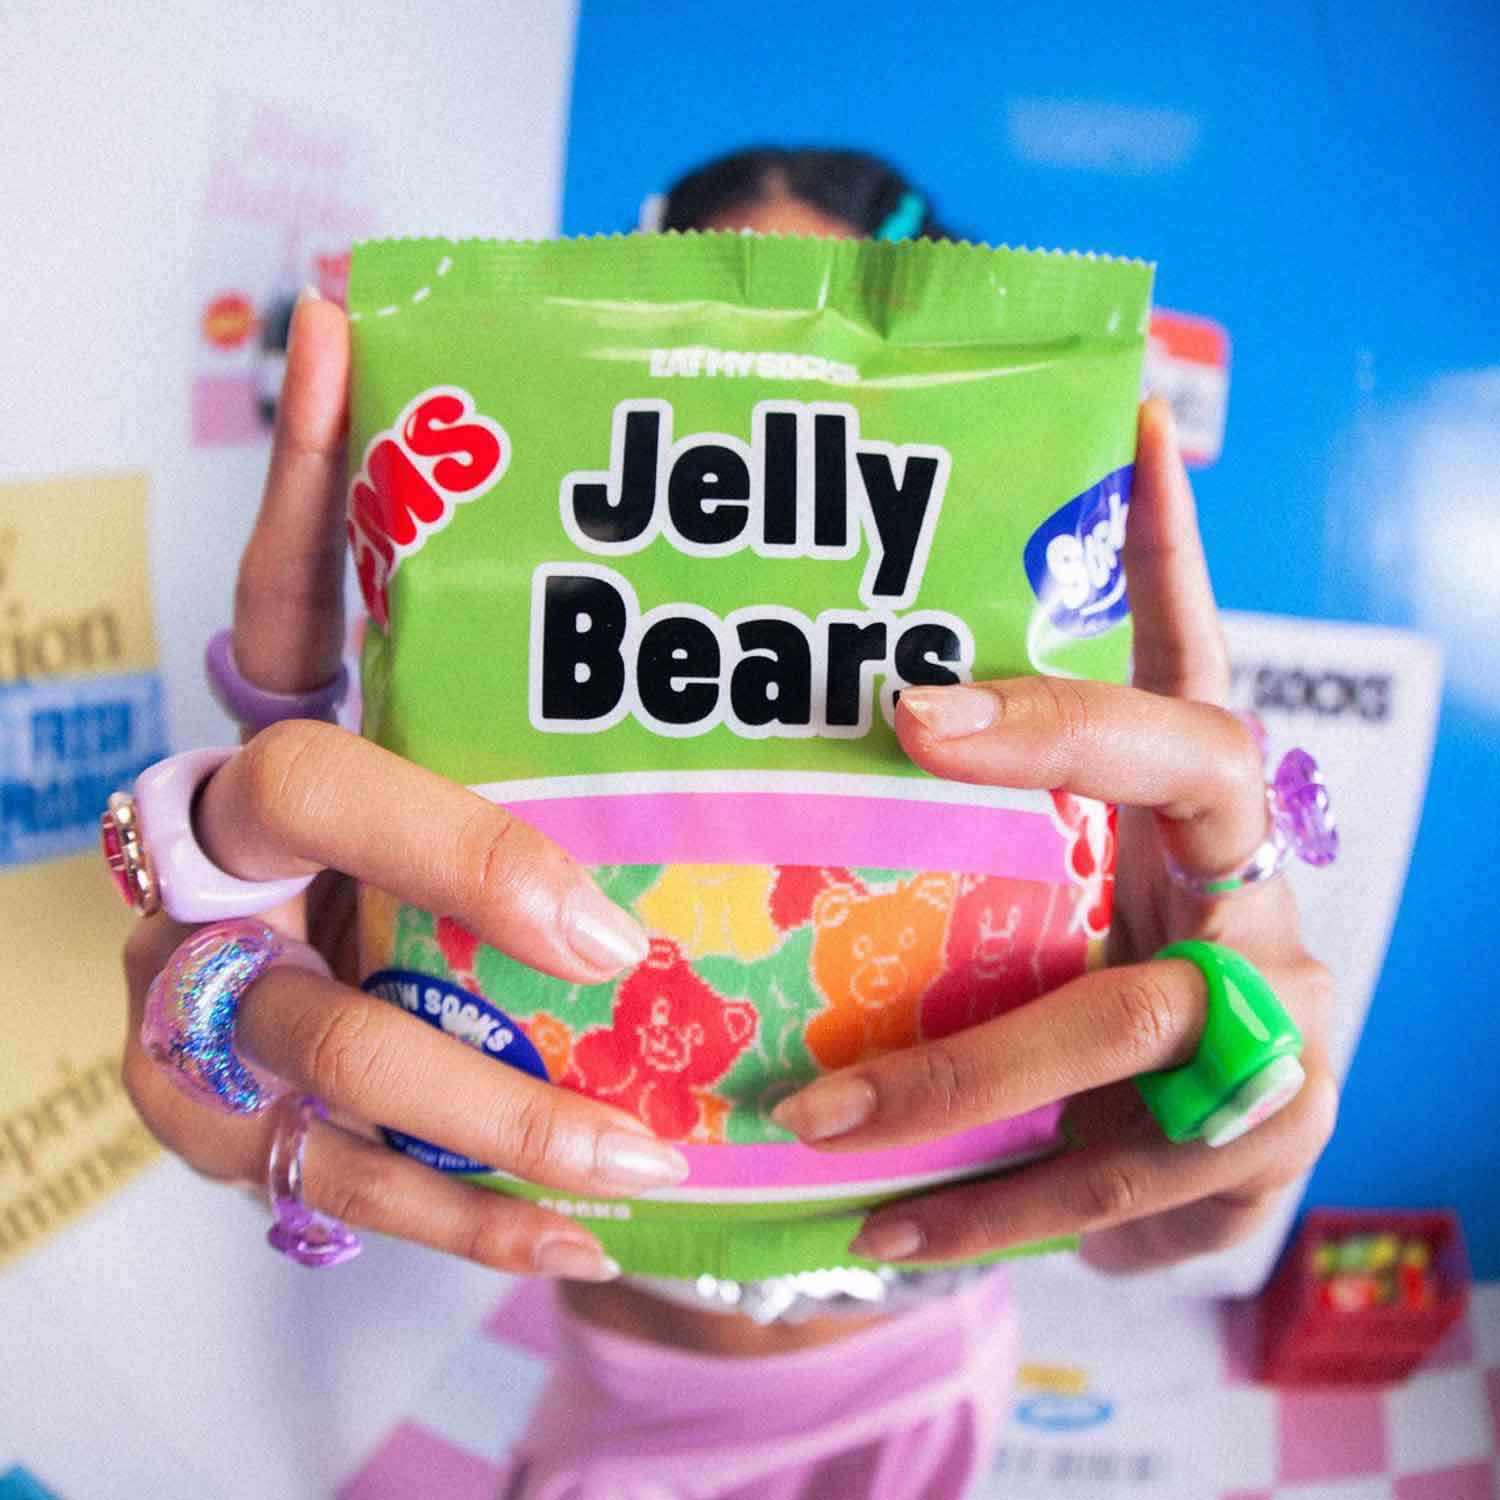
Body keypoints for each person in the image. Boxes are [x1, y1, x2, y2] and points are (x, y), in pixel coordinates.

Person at [116, 148, 1336, 1497]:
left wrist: (1214, 1134)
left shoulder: (1109, 813)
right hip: (621, 1406)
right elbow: (269, 975)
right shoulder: (422, 761)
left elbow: (1131, 1221)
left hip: (936, 1377)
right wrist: (229, 943)